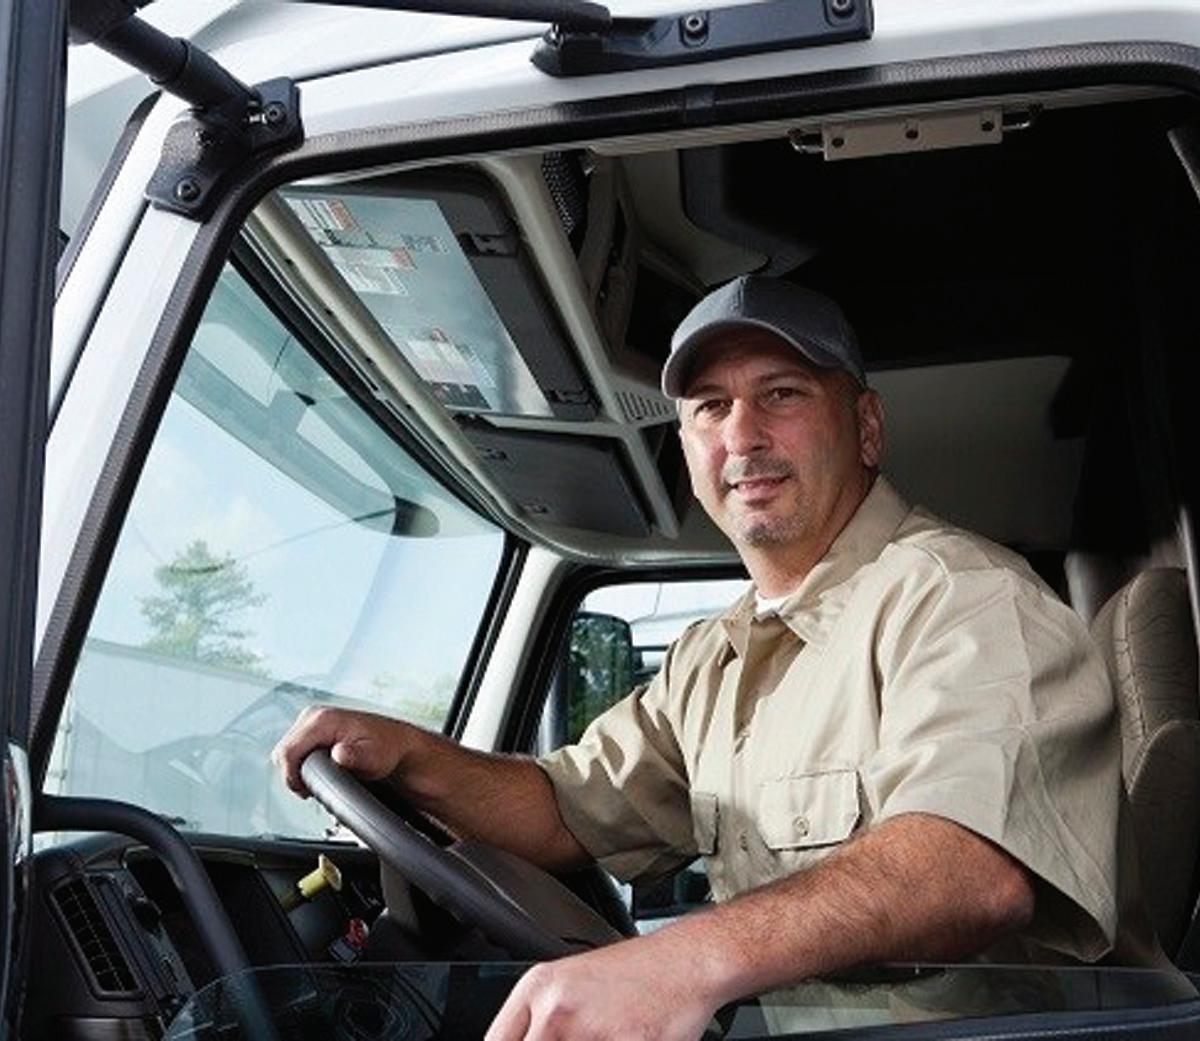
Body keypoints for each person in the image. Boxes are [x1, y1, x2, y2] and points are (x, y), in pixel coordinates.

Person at [273, 276, 1142, 1041]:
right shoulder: (710, 657)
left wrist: (681, 962)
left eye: (782, 393)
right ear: (689, 446)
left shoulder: (962, 597)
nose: (743, 433)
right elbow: (568, 811)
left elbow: (970, 869)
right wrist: (412, 758)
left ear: (866, 427)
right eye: (710, 408)